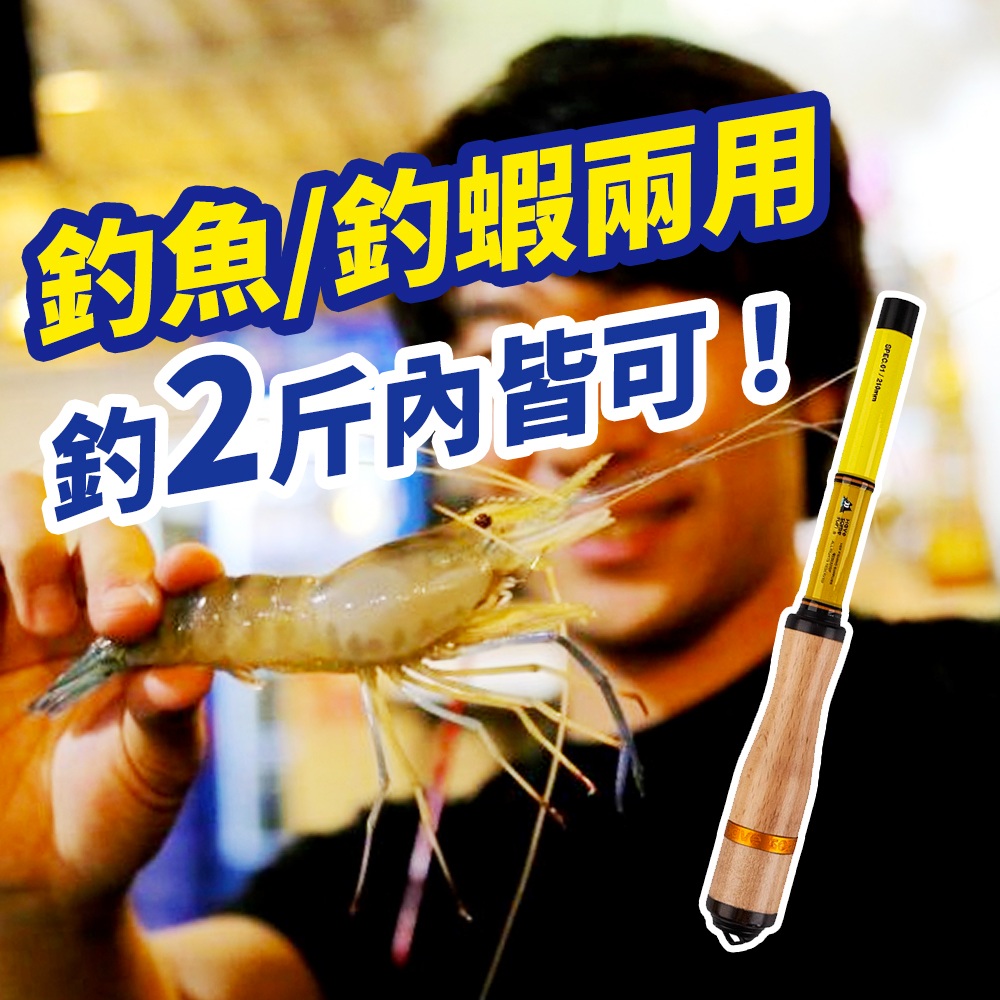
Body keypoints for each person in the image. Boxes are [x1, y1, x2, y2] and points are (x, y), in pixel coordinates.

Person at [0, 35, 994, 1000]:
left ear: (819, 380)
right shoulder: (410, 877)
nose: (581, 433)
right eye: (516, 357)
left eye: (650, 343)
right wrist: (40, 906)